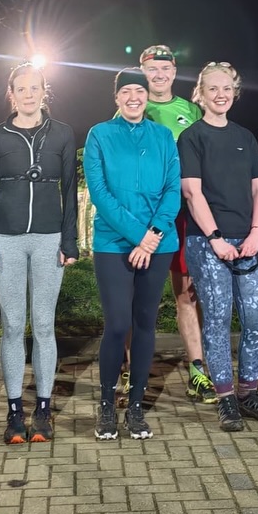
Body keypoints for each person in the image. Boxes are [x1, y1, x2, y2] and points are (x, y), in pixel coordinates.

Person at [0, 63, 79, 443]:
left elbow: (69, 191)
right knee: (13, 325)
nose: (28, 94)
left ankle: (43, 409)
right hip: (6, 240)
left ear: (44, 91)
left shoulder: (64, 134)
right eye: (21, 89)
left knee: (45, 324)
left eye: (34, 88)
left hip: (49, 239)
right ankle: (14, 411)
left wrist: (70, 241)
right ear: (11, 94)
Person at [178, 62, 258, 432]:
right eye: (213, 89)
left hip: (249, 241)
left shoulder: (245, 136)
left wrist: (256, 233)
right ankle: (225, 399)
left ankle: (248, 392)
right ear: (200, 94)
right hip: (207, 243)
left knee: (257, 320)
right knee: (218, 321)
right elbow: (192, 191)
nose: (220, 95)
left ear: (234, 93)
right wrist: (215, 237)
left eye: (227, 89)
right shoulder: (191, 137)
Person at [84, 68, 181, 441]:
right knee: (118, 324)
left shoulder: (162, 136)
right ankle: (107, 405)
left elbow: (173, 188)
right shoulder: (100, 135)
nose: (133, 98)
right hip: (113, 244)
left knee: (145, 324)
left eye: (139, 91)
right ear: (116, 97)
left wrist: (153, 236)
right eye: (126, 91)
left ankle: (136, 406)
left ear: (147, 95)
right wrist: (140, 237)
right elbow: (100, 194)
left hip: (159, 244)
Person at [136, 45, 216, 404]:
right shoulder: (133, 104)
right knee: (138, 296)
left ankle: (197, 371)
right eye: (152, 68)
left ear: (174, 71)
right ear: (143, 71)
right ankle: (130, 372)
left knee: (186, 293)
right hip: (144, 213)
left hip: (182, 213)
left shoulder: (190, 110)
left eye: (165, 68)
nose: (159, 74)